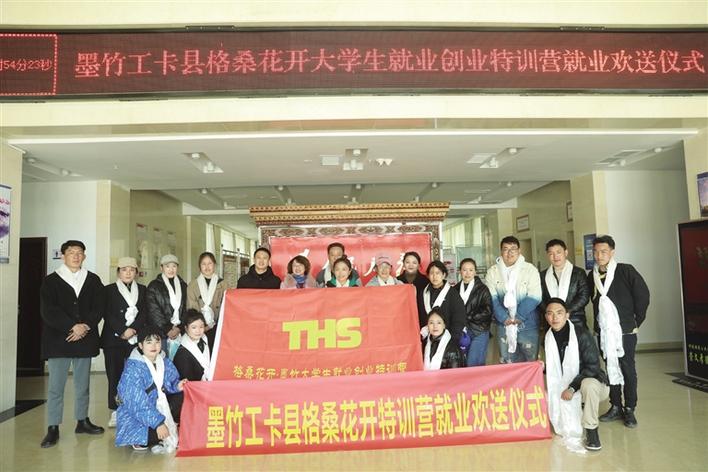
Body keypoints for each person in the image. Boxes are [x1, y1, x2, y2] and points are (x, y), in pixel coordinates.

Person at [39, 240, 105, 448]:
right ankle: (53, 427)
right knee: (56, 387)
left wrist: (84, 326)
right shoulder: (51, 281)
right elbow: (48, 311)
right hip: (59, 340)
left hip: (85, 339)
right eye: (71, 252)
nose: (76, 256)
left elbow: (99, 307)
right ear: (63, 256)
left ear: (84, 256)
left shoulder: (93, 279)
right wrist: (72, 326)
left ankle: (82, 421)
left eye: (79, 252)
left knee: (82, 385)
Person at [587, 235, 650, 428]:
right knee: (610, 367)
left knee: (627, 368)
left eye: (603, 251)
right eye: (596, 252)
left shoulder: (625, 271)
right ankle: (615, 406)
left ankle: (630, 408)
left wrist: (635, 321)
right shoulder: (592, 276)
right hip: (604, 332)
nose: (599, 255)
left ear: (612, 252)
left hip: (625, 331)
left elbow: (643, 296)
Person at [544, 298, 609, 452]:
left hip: (594, 385)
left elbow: (593, 367)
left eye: (559, 313)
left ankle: (592, 431)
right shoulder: (547, 338)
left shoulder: (581, 334)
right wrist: (542, 367)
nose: (554, 318)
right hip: (566, 385)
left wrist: (572, 387)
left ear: (567, 315)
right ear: (546, 317)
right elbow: (555, 369)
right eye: (550, 314)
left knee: (589, 385)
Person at [115, 326, 187, 452]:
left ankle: (167, 425)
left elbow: (171, 382)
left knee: (183, 394)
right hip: (136, 417)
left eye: (157, 341)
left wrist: (177, 386)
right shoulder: (133, 369)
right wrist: (158, 423)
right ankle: (141, 438)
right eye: (149, 342)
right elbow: (137, 404)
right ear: (140, 345)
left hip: (157, 407)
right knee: (157, 435)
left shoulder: (163, 361)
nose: (154, 346)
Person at [101, 256, 147, 429]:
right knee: (115, 375)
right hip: (114, 339)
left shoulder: (142, 290)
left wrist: (133, 329)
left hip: (135, 338)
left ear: (136, 272)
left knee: (136, 376)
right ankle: (116, 410)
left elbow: (145, 312)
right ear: (118, 272)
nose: (128, 273)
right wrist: (122, 330)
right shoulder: (108, 290)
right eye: (124, 269)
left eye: (132, 270)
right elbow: (107, 313)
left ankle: (135, 409)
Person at [485, 236, 542, 364]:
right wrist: (503, 318)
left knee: (531, 363)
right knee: (507, 362)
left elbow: (535, 296)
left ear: (519, 251)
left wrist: (519, 316)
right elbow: (491, 298)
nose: (509, 252)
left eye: (513, 249)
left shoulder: (530, 270)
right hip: (503, 324)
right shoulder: (493, 272)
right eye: (505, 249)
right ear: (501, 251)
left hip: (528, 323)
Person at [540, 239, 590, 330]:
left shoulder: (578, 273)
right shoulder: (543, 275)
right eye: (551, 254)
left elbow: (584, 296)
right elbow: (540, 298)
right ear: (548, 255)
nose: (555, 256)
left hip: (575, 320)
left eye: (558, 252)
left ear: (566, 252)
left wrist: (566, 312)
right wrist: (551, 313)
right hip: (552, 321)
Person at [450, 258, 492, 367]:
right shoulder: (454, 289)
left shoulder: (482, 289)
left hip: (479, 330)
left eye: (471, 270)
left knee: (473, 364)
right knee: (462, 364)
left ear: (475, 272)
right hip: (461, 331)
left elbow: (488, 311)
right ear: (460, 271)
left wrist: (468, 317)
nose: (467, 273)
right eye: (464, 270)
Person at [146, 254, 188, 357]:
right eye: (167, 266)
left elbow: (186, 308)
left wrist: (179, 327)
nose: (171, 269)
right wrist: (168, 329)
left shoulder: (183, 285)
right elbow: (153, 310)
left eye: (174, 266)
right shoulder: (154, 286)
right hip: (161, 333)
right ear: (161, 268)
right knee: (162, 360)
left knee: (180, 361)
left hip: (180, 332)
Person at [186, 251, 226, 350]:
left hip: (217, 327)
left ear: (214, 265)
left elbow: (226, 307)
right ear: (199, 266)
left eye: (210, 263)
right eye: (203, 264)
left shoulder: (223, 284)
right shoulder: (193, 285)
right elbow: (192, 307)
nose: (207, 267)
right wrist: (202, 326)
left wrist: (213, 324)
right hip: (198, 329)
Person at [421, 261, 465, 341]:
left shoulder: (452, 293)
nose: (434, 276)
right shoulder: (424, 293)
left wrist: (453, 339)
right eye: (431, 273)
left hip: (448, 337)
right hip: (428, 338)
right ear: (428, 276)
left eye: (438, 273)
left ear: (444, 275)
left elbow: (459, 317)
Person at [173, 310, 211, 381]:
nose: (198, 331)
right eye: (194, 327)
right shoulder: (182, 353)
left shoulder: (205, 340)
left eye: (201, 327)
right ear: (186, 328)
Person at [397, 251, 429, 326]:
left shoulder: (426, 281)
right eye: (407, 262)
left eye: (414, 263)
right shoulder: (397, 281)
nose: (411, 265)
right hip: (402, 318)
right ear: (403, 264)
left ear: (418, 265)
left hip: (421, 319)